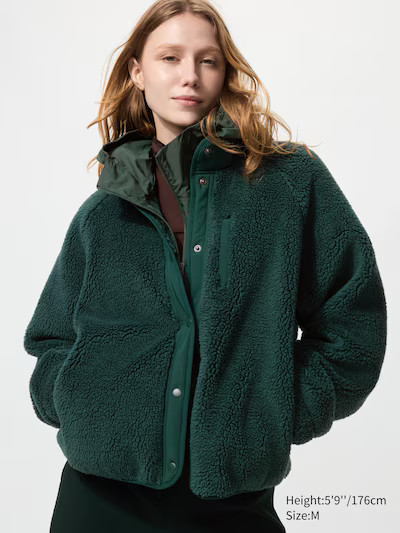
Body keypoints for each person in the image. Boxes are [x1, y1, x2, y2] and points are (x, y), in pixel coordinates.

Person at [23, 1, 387, 532]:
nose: (189, 75)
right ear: (138, 72)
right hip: (98, 494)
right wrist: (78, 407)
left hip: (231, 498)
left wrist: (276, 412)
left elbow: (353, 321)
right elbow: (52, 336)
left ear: (225, 72)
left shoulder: (288, 182)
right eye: (170, 57)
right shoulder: (104, 210)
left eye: (207, 60)